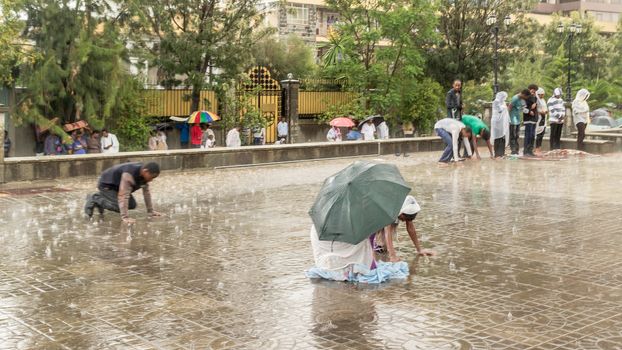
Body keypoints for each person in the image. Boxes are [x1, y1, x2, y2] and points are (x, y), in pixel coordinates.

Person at [84, 162, 163, 224]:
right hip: (107, 185)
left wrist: (150, 211)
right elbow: (123, 195)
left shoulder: (143, 173)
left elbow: (146, 193)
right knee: (119, 207)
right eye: (152, 177)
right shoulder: (129, 174)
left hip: (117, 186)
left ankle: (100, 201)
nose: (152, 180)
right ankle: (95, 198)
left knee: (132, 205)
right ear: (145, 171)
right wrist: (125, 217)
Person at [374, 196, 434, 262]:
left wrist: (419, 250)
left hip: (388, 217)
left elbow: (410, 228)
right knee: (377, 247)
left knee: (383, 249)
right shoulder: (391, 209)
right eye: (405, 219)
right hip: (375, 217)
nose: (404, 221)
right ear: (402, 213)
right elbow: (387, 231)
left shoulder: (406, 205)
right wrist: (392, 255)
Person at [491, 91, 510, 158]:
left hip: (502, 123)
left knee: (502, 137)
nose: (504, 98)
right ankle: (497, 154)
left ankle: (502, 153)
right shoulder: (496, 102)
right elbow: (500, 110)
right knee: (497, 138)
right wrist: (504, 108)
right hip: (497, 123)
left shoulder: (503, 102)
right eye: (504, 97)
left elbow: (506, 112)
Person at [508, 90, 528, 155]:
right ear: (523, 94)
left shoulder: (521, 99)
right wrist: (508, 118)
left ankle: (516, 150)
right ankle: (513, 150)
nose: (525, 98)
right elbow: (509, 107)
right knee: (512, 135)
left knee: (517, 136)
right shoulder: (515, 98)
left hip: (517, 120)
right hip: (512, 120)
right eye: (525, 97)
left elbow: (522, 108)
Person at [523, 85, 539, 157]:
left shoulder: (535, 98)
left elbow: (535, 107)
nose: (533, 91)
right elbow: (522, 108)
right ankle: (526, 151)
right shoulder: (525, 98)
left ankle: (530, 150)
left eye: (534, 90)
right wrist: (529, 111)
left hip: (534, 119)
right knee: (528, 135)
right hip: (528, 119)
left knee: (532, 136)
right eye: (532, 89)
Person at [535, 88, 548, 154]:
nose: (542, 96)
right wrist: (540, 112)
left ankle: (540, 147)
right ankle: (537, 148)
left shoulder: (543, 100)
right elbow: (536, 109)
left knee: (542, 133)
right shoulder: (536, 100)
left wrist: (546, 111)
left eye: (543, 94)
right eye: (541, 95)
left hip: (544, 118)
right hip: (539, 118)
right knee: (539, 134)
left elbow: (545, 107)